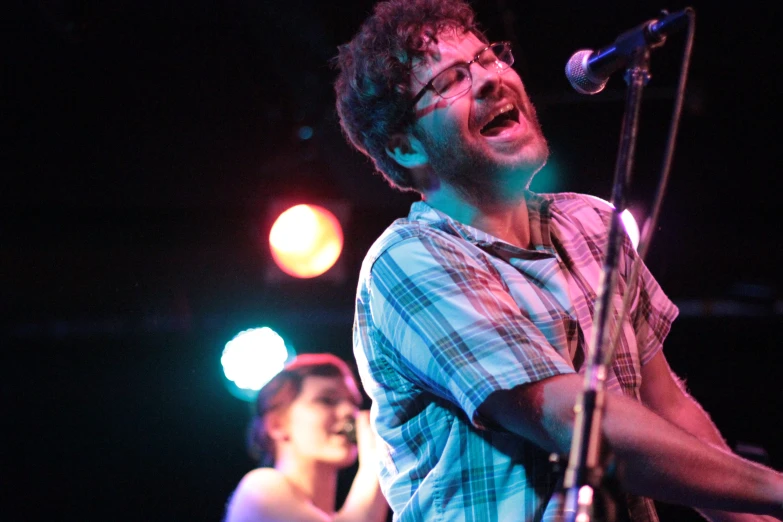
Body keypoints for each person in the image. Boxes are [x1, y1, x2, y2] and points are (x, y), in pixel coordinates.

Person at [333, 0, 783, 521]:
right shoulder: (408, 259)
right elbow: (575, 423)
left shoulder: (593, 224)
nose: (488, 80)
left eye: (488, 58)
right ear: (407, 147)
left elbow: (669, 409)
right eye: (451, 80)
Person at [223, 353, 389, 522]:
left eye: (353, 402)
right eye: (326, 400)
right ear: (277, 424)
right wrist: (375, 460)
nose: (350, 411)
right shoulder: (260, 488)